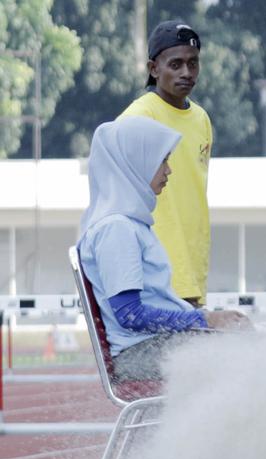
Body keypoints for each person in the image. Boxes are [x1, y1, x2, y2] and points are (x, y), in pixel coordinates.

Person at [76, 118, 247, 382]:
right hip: (140, 353)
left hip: (155, 344)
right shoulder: (116, 229)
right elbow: (130, 315)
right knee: (251, 355)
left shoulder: (129, 224)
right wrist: (205, 320)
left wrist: (205, 321)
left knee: (254, 342)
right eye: (162, 161)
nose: (169, 171)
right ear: (135, 162)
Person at [119, 21, 213, 306]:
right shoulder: (138, 118)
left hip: (193, 271)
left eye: (193, 63)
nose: (186, 73)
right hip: (155, 275)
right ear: (153, 69)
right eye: (176, 64)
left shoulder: (202, 119)